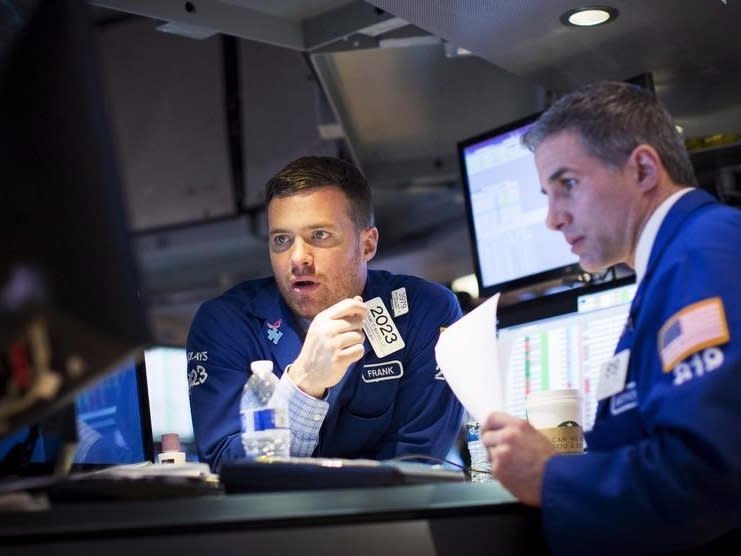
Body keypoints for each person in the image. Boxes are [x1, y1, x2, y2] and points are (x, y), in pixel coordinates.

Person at [481, 81, 741, 554]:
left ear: (642, 169)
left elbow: (710, 472)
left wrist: (551, 475)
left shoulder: (706, 249)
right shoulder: (671, 265)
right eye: (547, 193)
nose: (553, 219)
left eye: (568, 185)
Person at [187, 156, 464, 471]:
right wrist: (303, 385)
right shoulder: (226, 323)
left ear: (367, 245)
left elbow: (419, 464)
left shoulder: (425, 311)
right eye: (282, 240)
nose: (298, 258)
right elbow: (227, 465)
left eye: (319, 235)